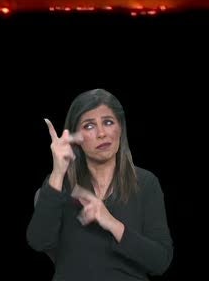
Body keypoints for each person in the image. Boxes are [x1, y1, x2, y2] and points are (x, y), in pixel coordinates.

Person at [26, 88, 173, 279]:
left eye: (108, 122)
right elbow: (39, 241)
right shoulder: (59, 184)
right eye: (89, 126)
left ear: (120, 128)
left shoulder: (146, 183)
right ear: (76, 138)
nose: (102, 133)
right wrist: (58, 172)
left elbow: (160, 262)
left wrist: (112, 223)